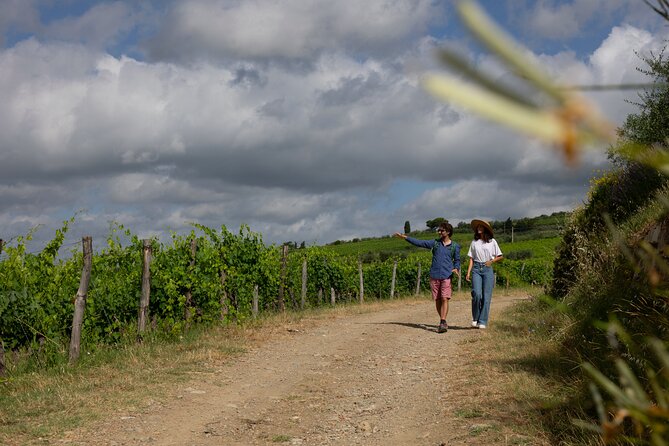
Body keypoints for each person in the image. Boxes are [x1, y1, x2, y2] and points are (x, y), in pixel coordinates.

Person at [394, 222, 460, 333]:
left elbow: (457, 260)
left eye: (442, 230)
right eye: (439, 230)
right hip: (434, 275)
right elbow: (420, 243)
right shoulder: (435, 243)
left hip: (447, 275)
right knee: (438, 299)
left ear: (448, 232)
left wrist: (456, 268)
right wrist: (405, 237)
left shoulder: (455, 246)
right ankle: (443, 320)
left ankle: (442, 321)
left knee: (445, 298)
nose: (439, 232)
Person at [465, 219, 503, 329]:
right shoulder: (474, 242)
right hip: (476, 268)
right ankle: (475, 318)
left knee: (486, 297)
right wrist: (468, 273)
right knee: (476, 294)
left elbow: (500, 256)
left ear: (486, 229)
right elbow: (471, 258)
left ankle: (483, 321)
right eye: (478, 227)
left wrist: (491, 261)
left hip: (487, 269)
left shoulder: (492, 242)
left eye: (481, 227)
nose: (479, 228)